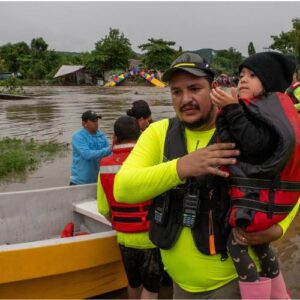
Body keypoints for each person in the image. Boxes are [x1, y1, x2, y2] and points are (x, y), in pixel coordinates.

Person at [114, 52, 300, 299]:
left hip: (235, 282)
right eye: (176, 91)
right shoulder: (158, 133)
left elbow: (289, 180)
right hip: (181, 286)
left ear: (213, 88)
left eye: (194, 88)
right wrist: (181, 167)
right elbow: (123, 189)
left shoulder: (245, 128)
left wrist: (277, 230)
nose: (186, 99)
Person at [210, 52, 300, 299]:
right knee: (260, 245)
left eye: (252, 75)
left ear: (269, 81)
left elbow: (254, 144)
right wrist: (228, 112)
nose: (243, 81)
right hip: (266, 203)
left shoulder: (268, 112)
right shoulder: (269, 109)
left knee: (236, 245)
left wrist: (232, 109)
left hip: (259, 203)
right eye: (241, 76)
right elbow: (233, 144)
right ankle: (281, 295)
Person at [97, 116, 163, 299]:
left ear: (115, 137)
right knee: (151, 288)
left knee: (133, 283)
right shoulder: (152, 160)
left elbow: (103, 209)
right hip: (150, 237)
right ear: (141, 135)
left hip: (124, 238)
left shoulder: (104, 165)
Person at [70, 110, 111, 185]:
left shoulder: (101, 135)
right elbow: (87, 155)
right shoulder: (78, 136)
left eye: (97, 120)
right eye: (93, 120)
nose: (96, 123)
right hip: (80, 182)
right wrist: (109, 149)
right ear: (84, 123)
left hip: (97, 180)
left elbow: (109, 154)